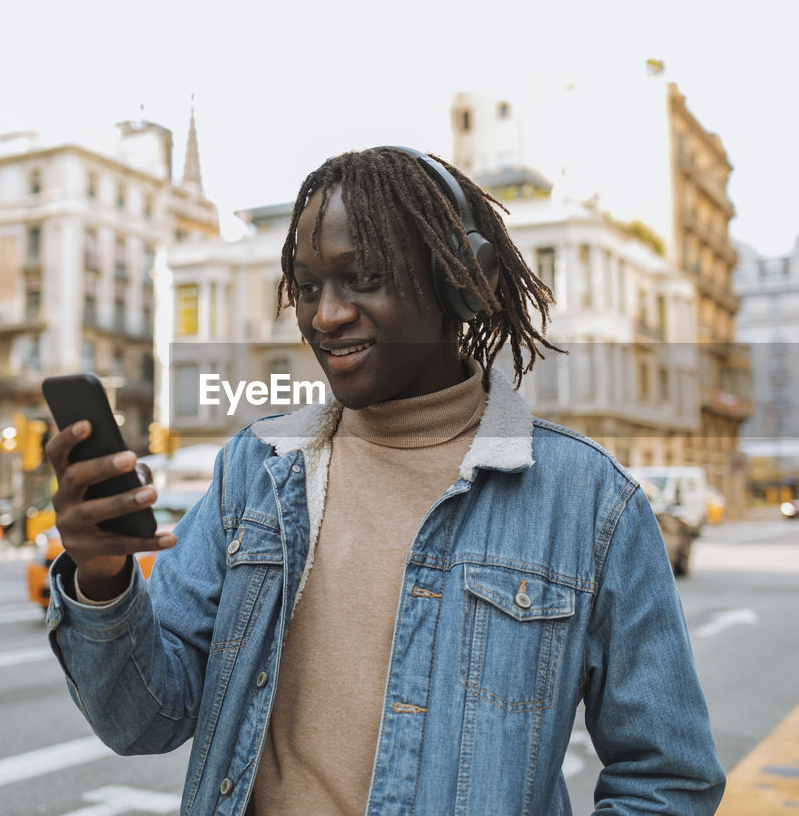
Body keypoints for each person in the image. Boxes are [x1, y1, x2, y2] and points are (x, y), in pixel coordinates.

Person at [43, 147, 725, 814]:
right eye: (307, 287)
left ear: (461, 279)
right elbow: (144, 721)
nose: (325, 315)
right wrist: (100, 576)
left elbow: (668, 778)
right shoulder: (254, 470)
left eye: (362, 278)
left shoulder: (590, 503)